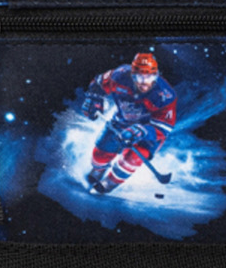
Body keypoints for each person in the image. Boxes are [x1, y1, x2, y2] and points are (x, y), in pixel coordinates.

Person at [75, 52, 177, 194]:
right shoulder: (119, 75)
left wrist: (141, 131)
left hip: (149, 132)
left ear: (156, 75)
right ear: (132, 74)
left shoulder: (165, 95)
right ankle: (98, 170)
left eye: (149, 77)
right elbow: (99, 83)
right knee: (100, 153)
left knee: (133, 158)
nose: (144, 82)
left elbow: (164, 127)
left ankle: (110, 182)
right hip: (122, 121)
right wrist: (94, 99)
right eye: (139, 77)